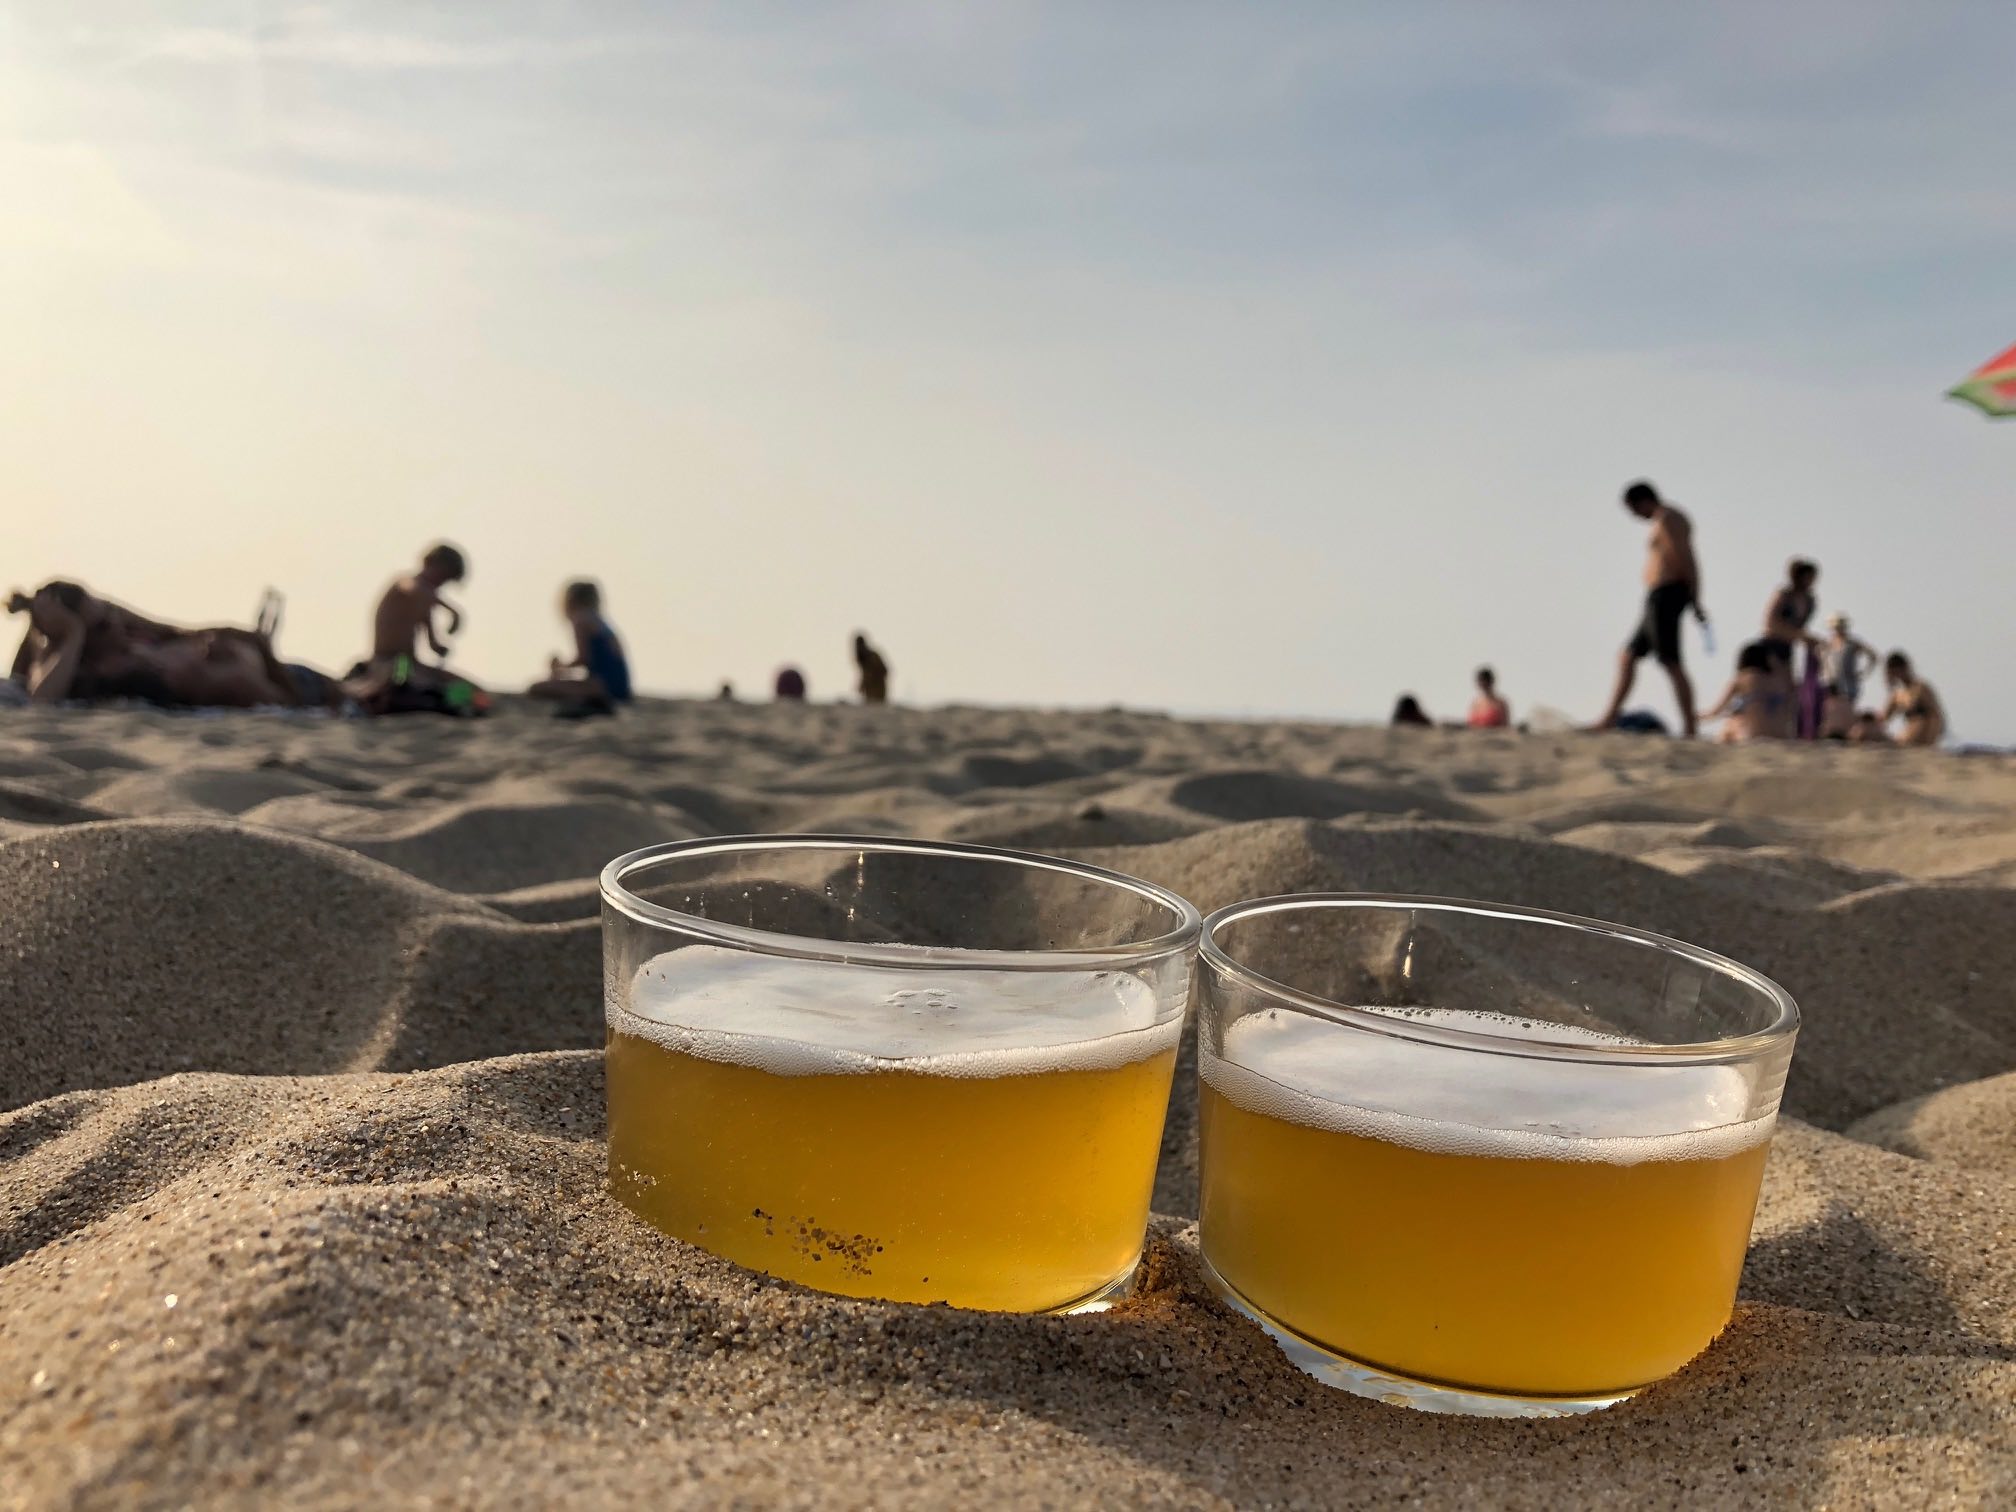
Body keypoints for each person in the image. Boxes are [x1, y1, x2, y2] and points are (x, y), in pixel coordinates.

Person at [7, 580, 329, 709]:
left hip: (292, 675)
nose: (117, 623)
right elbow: (42, 698)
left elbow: (185, 631)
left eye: (110, 611)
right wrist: (70, 635)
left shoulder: (133, 634)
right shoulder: (98, 667)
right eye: (104, 624)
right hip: (293, 686)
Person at [1596, 481, 1705, 737]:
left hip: (1668, 595)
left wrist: (1694, 598)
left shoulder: (1668, 518)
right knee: (1628, 656)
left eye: (1634, 510)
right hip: (1657, 596)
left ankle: (1690, 727)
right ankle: (1609, 718)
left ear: (1642, 501)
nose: (1635, 516)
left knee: (1671, 661)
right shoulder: (1662, 520)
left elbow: (1685, 557)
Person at [350, 543, 484, 714]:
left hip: (413, 664)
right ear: (429, 562)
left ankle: (447, 703)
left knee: (475, 693)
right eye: (442, 575)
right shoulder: (404, 583)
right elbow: (413, 588)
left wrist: (440, 648)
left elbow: (432, 643)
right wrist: (452, 611)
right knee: (403, 684)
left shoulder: (425, 602)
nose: (440, 584)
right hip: (391, 662)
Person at [528, 579, 632, 718]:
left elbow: (584, 658)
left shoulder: (581, 620)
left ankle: (589, 703)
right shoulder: (599, 621)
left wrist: (561, 667)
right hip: (620, 686)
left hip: (602, 687)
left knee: (537, 688)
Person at [1703, 640, 1796, 743]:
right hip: (1783, 736)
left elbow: (1715, 711)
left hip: (1753, 735)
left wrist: (1694, 717)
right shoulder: (1779, 682)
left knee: (1732, 722)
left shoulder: (1742, 678)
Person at [1819, 613, 1878, 739]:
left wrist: (1863, 672)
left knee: (1847, 708)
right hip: (1833, 682)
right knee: (1831, 708)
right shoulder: (1829, 643)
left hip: (1848, 683)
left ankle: (1847, 733)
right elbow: (1823, 659)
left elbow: (1873, 656)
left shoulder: (1852, 643)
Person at [1881, 653, 1946, 747]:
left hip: (1923, 737)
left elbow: (1936, 716)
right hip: (1907, 736)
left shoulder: (1921, 689)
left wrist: (1930, 741)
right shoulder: (1897, 695)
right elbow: (1884, 718)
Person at [854, 634, 890, 704]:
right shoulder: (863, 658)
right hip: (870, 692)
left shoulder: (873, 656)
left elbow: (883, 671)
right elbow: (865, 674)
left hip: (878, 690)